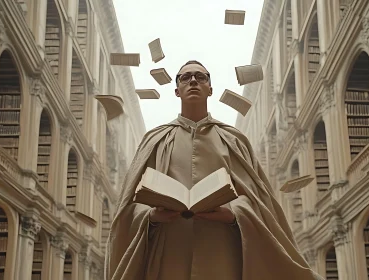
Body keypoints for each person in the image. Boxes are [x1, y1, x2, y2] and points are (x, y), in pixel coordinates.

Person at [107, 60, 322, 280]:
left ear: (210, 89)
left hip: (223, 253)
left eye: (201, 77)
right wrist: (150, 215)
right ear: (176, 90)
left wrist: (234, 213)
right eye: (186, 77)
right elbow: (127, 208)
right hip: (168, 253)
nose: (193, 81)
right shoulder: (154, 140)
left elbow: (259, 201)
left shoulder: (234, 140)